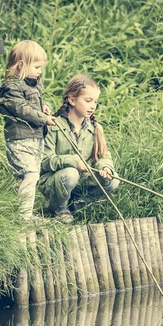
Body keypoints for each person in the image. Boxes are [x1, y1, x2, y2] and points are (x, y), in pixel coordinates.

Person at [38, 74, 118, 223]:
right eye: (88, 101)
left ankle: (76, 205)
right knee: (70, 173)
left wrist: (105, 167)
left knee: (113, 181)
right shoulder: (54, 125)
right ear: (72, 100)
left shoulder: (95, 129)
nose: (93, 106)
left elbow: (103, 157)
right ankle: (58, 208)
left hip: (81, 180)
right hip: (55, 180)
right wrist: (74, 162)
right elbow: (44, 161)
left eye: (95, 101)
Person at [0, 40, 57, 220]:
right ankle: (24, 216)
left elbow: (34, 103)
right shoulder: (11, 88)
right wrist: (43, 118)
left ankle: (23, 211)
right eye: (37, 66)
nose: (40, 71)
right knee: (30, 175)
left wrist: (44, 106)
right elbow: (21, 108)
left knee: (31, 176)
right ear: (22, 65)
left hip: (35, 138)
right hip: (20, 139)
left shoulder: (33, 83)